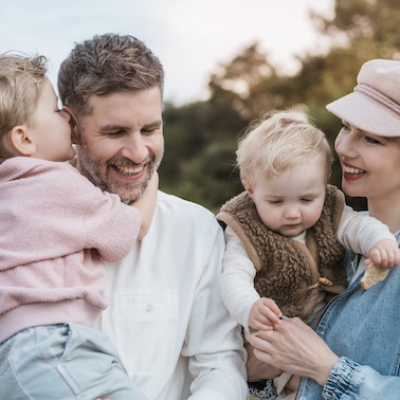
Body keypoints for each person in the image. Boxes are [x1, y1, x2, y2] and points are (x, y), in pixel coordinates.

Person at [57, 33, 248, 400]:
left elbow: (219, 363)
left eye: (150, 129)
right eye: (115, 132)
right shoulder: (18, 228)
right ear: (72, 128)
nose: (138, 151)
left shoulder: (193, 230)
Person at [0, 53, 158, 399]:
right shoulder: (56, 183)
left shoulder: (9, 190)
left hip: (18, 356)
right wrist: (155, 178)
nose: (68, 119)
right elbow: (131, 230)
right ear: (25, 139)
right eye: (56, 110)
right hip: (55, 347)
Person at [216, 109, 400, 399]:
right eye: (345, 127)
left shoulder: (336, 219)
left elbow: (359, 226)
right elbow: (233, 277)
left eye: (372, 139)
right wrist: (250, 313)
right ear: (251, 192)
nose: (344, 147)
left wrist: (325, 368)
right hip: (271, 340)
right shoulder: (247, 229)